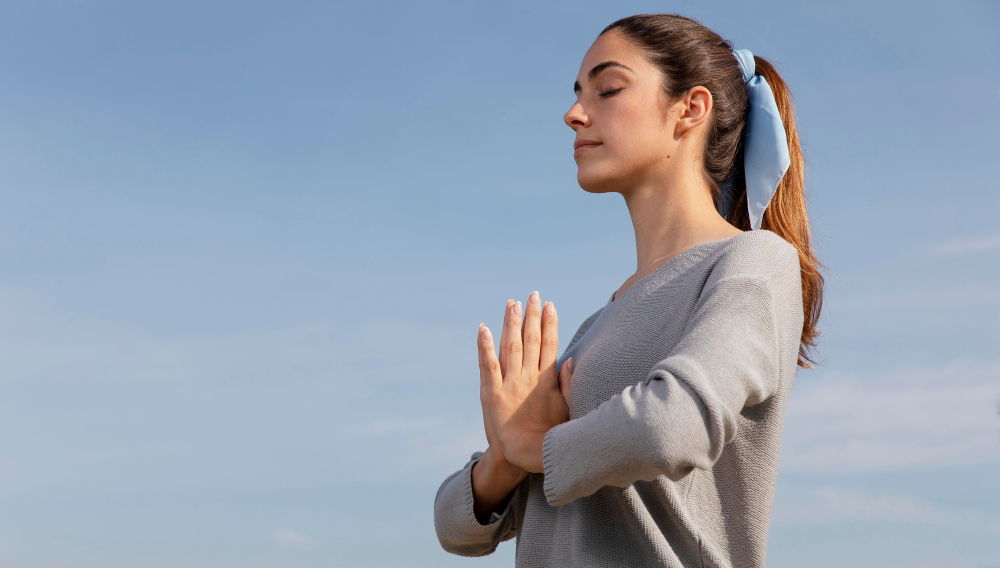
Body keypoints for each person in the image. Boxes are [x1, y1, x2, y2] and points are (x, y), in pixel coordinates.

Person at [433, 13, 823, 568]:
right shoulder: (597, 327)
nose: (574, 114)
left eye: (608, 88)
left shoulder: (753, 262)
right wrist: (504, 457)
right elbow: (455, 527)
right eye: (577, 94)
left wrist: (537, 448)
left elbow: (672, 425)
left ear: (690, 109)